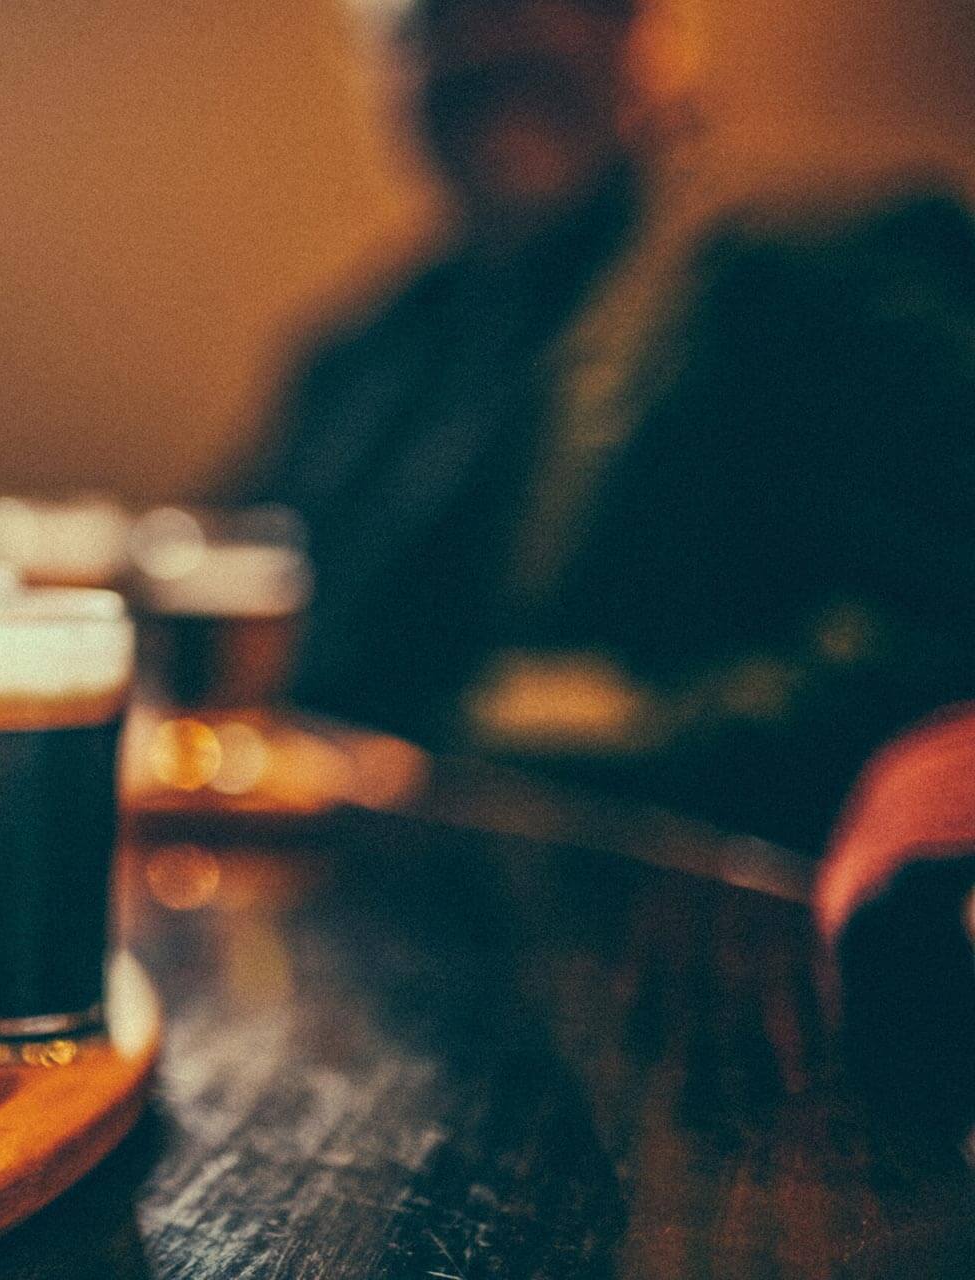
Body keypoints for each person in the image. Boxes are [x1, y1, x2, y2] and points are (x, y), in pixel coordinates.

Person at [244, 0, 975, 856]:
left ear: (644, 33)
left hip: (697, 941)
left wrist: (504, 750)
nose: (476, 51)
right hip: (336, 915)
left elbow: (933, 647)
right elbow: (235, 575)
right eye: (431, 23)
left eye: (518, 11)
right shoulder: (373, 345)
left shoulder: (826, 264)